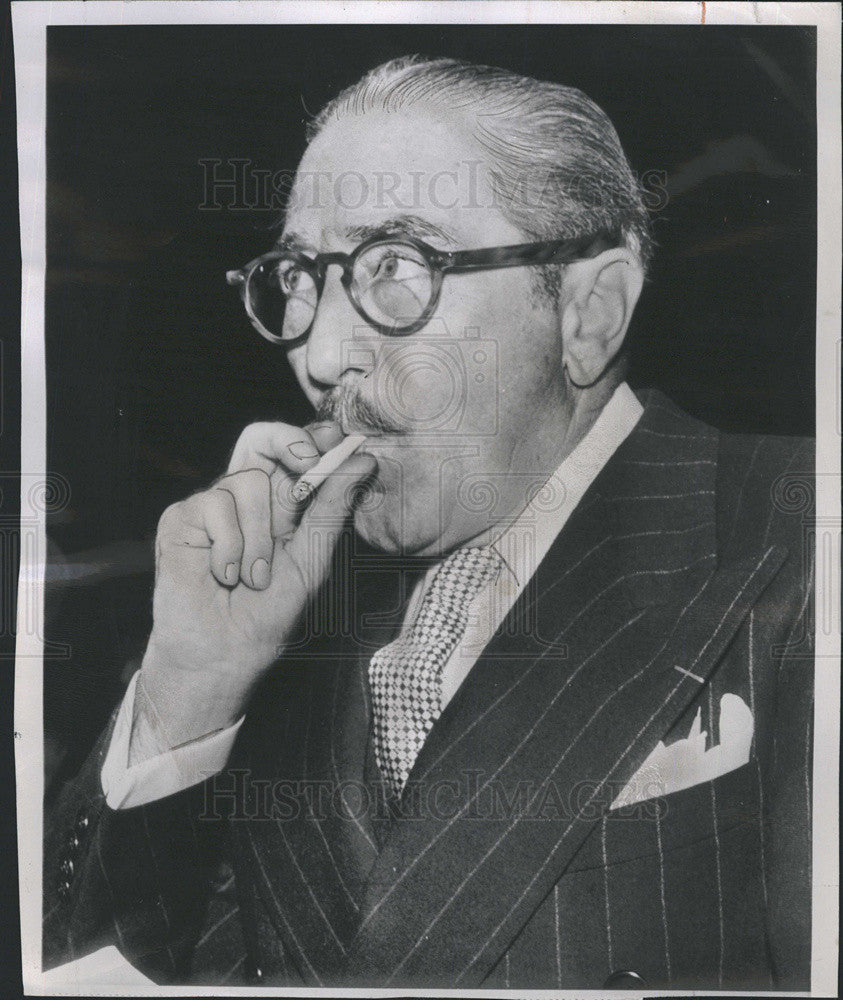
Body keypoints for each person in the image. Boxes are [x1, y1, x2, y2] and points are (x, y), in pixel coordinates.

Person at [43, 56, 813, 989]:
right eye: (299, 276)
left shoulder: (801, 543)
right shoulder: (293, 626)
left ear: (588, 315)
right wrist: (187, 693)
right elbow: (98, 964)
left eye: (396, 267)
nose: (322, 356)